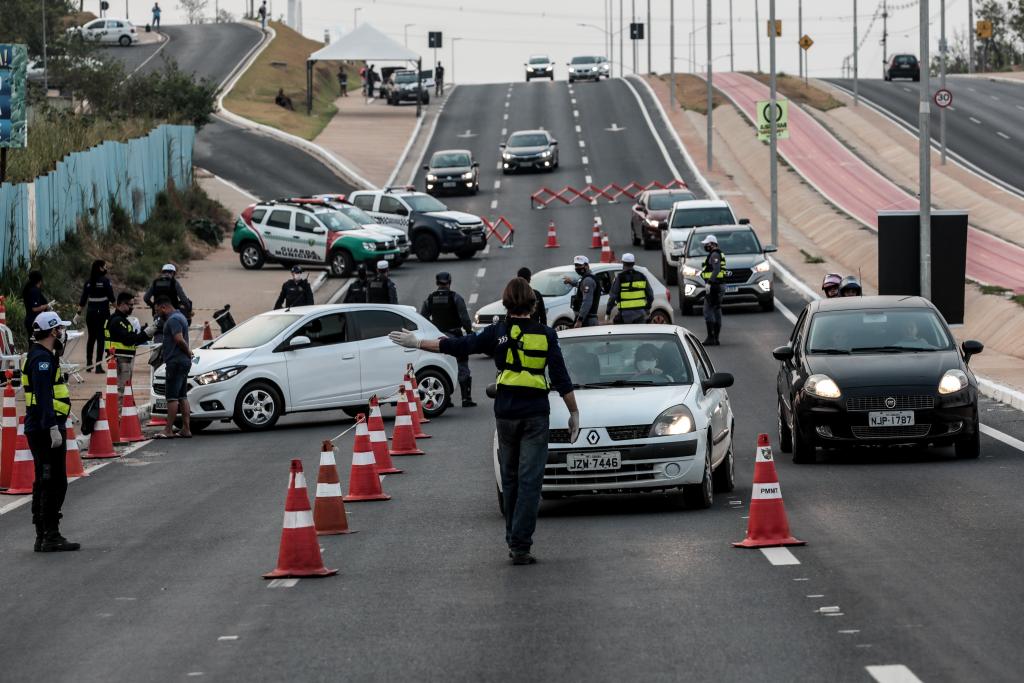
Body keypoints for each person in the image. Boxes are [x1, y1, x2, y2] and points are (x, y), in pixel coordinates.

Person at [389, 278, 579, 565]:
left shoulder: (497, 333)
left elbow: (459, 345)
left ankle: (513, 540)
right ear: (533, 303)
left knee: (511, 478)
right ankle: (520, 545)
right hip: (536, 415)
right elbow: (562, 379)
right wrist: (574, 412)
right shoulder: (547, 335)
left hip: (505, 413)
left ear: (506, 304)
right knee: (530, 482)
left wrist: (417, 343)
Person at [23, 311, 78, 552]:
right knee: (52, 481)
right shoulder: (42, 360)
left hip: (44, 427)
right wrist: (54, 428)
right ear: (53, 331)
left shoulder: (42, 356)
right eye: (60, 330)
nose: (63, 334)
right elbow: (44, 396)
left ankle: (43, 534)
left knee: (47, 480)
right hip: (46, 429)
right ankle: (49, 534)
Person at [420, 272, 475, 407]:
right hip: (455, 338)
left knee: (441, 367)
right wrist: (469, 332)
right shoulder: (456, 297)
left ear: (437, 283)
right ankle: (466, 398)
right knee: (462, 366)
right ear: (449, 282)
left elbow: (423, 318)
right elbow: (464, 319)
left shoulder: (430, 299)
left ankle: (446, 400)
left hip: (437, 339)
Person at [105, 293, 157, 409]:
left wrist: (142, 331)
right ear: (122, 304)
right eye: (130, 305)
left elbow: (129, 336)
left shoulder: (119, 320)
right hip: (121, 360)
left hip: (122, 358)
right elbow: (130, 340)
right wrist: (147, 332)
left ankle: (125, 415)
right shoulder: (117, 321)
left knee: (125, 389)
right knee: (121, 390)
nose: (132, 308)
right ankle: (119, 418)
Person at [154, 296, 192, 439]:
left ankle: (168, 430)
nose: (158, 314)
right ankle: (186, 429)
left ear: (164, 307)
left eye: (158, 310)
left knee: (172, 397)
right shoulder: (180, 316)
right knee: (182, 396)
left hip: (175, 362)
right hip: (182, 362)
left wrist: (188, 351)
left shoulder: (173, 320)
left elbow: (178, 339)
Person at [76, 259, 115, 373]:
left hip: (91, 313)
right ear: (100, 268)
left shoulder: (89, 282)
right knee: (101, 338)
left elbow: (83, 300)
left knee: (91, 337)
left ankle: (89, 363)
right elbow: (112, 298)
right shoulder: (105, 281)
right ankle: (98, 365)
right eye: (105, 267)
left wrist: (78, 314)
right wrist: (119, 311)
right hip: (103, 313)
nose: (106, 269)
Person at [607, 253, 653, 324]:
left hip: (625, 315)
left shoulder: (620, 278)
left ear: (623, 263)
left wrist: (608, 312)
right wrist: (647, 308)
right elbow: (650, 295)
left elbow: (613, 297)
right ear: (634, 263)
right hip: (640, 314)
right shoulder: (642, 276)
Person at [699, 234, 725, 346]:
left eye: (707, 244)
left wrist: (709, 283)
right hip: (718, 285)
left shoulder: (714, 254)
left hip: (715, 286)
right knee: (716, 309)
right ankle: (715, 338)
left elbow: (716, 269)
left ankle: (711, 337)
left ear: (712, 244)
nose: (705, 246)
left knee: (707, 310)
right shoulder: (717, 253)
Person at [565, 255, 599, 328]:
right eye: (576, 265)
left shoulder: (588, 280)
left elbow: (587, 302)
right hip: (586, 318)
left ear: (586, 265)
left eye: (580, 265)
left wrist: (580, 320)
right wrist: (571, 282)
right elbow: (580, 285)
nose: (577, 268)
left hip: (588, 320)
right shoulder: (585, 278)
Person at [21, 271, 50, 338]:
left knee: (32, 342)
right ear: (39, 281)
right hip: (34, 321)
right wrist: (47, 305)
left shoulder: (28, 289)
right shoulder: (34, 291)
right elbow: (35, 308)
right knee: (36, 342)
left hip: (31, 320)